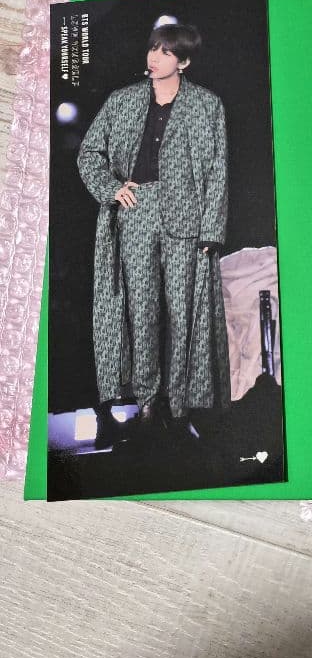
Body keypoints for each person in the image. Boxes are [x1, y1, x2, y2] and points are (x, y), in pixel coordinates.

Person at [77, 23, 231, 437]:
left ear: (184, 61)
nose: (154, 57)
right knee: (141, 312)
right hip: (137, 211)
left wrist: (212, 229)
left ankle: (179, 406)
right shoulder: (122, 100)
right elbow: (89, 153)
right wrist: (112, 189)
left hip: (188, 218)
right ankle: (146, 402)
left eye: (165, 52)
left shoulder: (206, 104)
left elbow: (218, 170)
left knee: (183, 312)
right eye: (153, 49)